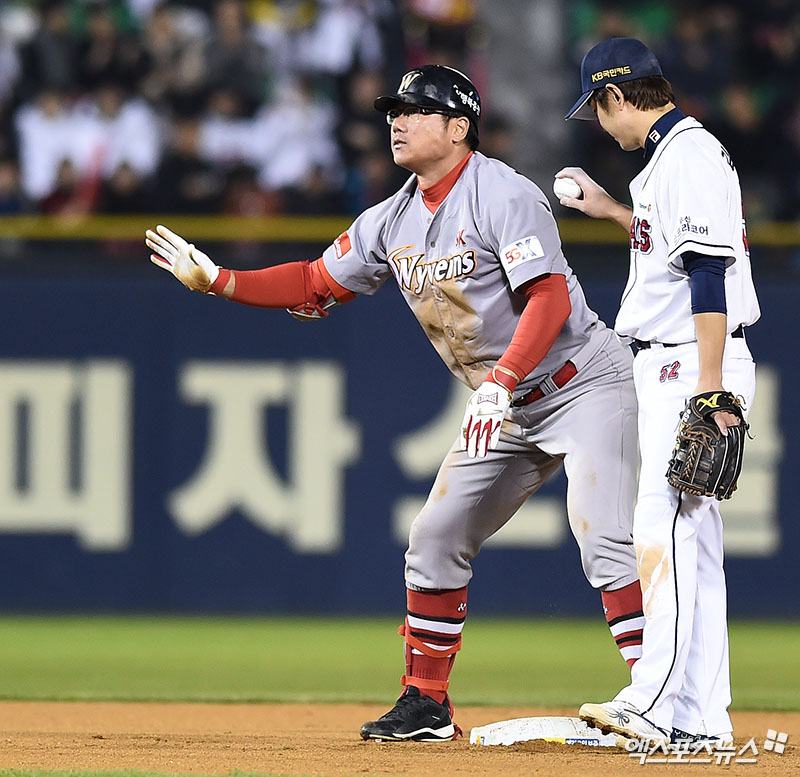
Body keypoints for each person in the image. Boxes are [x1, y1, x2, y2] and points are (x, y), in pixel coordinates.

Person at [146, 64, 643, 742]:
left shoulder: (503, 193)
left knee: (605, 540)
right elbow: (316, 280)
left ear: (459, 127)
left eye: (416, 109)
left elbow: (549, 299)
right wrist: (220, 280)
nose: (396, 121)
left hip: (583, 381)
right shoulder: (392, 219)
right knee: (434, 538)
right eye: (393, 110)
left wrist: (500, 380)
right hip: (510, 404)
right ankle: (426, 702)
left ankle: (656, 694)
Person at [558, 38, 760, 745]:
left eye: (598, 110)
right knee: (695, 547)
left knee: (663, 528)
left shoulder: (689, 156)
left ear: (617, 96)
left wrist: (710, 389)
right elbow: (672, 247)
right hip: (675, 359)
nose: (602, 126)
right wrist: (615, 211)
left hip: (691, 364)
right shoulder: (671, 161)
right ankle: (700, 721)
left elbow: (708, 272)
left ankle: (653, 701)